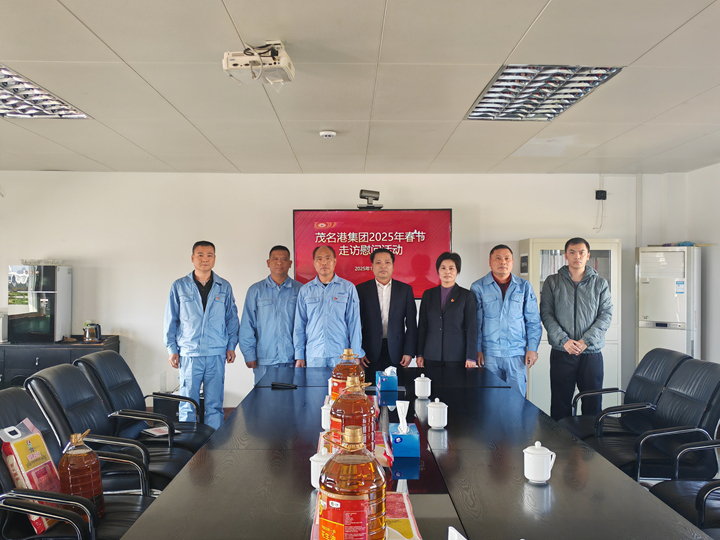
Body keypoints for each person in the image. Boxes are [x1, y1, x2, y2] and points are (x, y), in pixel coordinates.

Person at [163, 241, 239, 430]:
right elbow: (171, 319)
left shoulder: (224, 287)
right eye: (200, 255)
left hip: (216, 353)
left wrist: (231, 346)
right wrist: (172, 349)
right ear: (192, 258)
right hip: (189, 354)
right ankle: (188, 442)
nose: (205, 259)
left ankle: (213, 440)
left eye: (209, 255)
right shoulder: (179, 286)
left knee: (215, 404)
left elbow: (231, 319)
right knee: (187, 403)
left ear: (214, 258)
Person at [540, 237, 613, 421]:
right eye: (572, 252)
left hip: (591, 353)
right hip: (562, 351)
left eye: (581, 252)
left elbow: (606, 315)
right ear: (566, 255)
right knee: (560, 403)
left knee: (592, 404)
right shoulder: (552, 282)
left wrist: (585, 341)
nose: (577, 256)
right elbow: (547, 314)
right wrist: (564, 341)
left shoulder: (600, 284)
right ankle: (561, 439)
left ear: (588, 256)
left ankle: (590, 440)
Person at [470, 244, 542, 396]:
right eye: (498, 258)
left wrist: (532, 348)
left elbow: (533, 320)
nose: (503, 262)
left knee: (517, 400)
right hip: (489, 354)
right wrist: (477, 349)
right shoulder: (478, 287)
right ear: (490, 262)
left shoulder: (524, 287)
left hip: (517, 354)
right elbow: (475, 323)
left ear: (512, 262)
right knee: (490, 400)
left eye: (507, 258)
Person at [239, 245, 302, 385]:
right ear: (268, 263)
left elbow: (305, 326)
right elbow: (247, 324)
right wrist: (249, 354)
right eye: (275, 259)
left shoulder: (300, 290)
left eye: (284, 259)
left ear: (290, 263)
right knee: (264, 396)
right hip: (264, 359)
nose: (279, 263)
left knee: (292, 396)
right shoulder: (255, 290)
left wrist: (301, 355)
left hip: (292, 359)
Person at [294, 245, 364, 367]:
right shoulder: (306, 290)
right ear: (314, 263)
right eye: (319, 259)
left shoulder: (348, 288)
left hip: (341, 355)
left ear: (334, 261)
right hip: (314, 355)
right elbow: (300, 325)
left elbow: (354, 323)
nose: (324, 262)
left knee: (342, 381)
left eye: (328, 258)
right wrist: (299, 355)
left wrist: (355, 354)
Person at [356, 248, 417, 375]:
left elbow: (411, 324)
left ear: (393, 266)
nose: (383, 266)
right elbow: (355, 323)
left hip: (398, 351)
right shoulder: (361, 290)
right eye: (378, 262)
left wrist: (409, 351)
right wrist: (358, 351)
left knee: (396, 385)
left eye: (387, 262)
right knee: (371, 385)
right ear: (372, 266)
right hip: (368, 352)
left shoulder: (405, 290)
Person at [416, 252, 478, 368]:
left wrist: (471, 356)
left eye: (451, 268)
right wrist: (419, 353)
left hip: (457, 355)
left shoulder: (466, 296)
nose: (447, 272)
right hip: (431, 354)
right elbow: (422, 326)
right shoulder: (428, 295)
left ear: (457, 271)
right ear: (438, 271)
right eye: (443, 268)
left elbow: (472, 328)